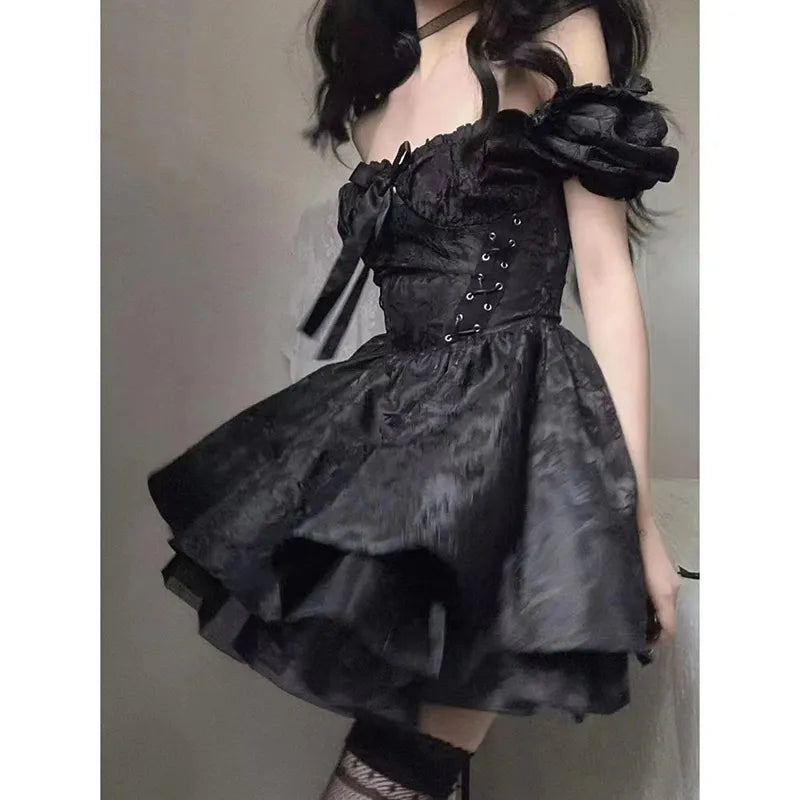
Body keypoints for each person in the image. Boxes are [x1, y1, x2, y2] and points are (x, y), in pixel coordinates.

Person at [146, 1, 686, 797]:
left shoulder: (552, 36)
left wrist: (635, 520)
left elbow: (605, 279)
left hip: (512, 435)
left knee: (401, 765)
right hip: (400, 433)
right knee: (413, 752)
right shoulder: (377, 86)